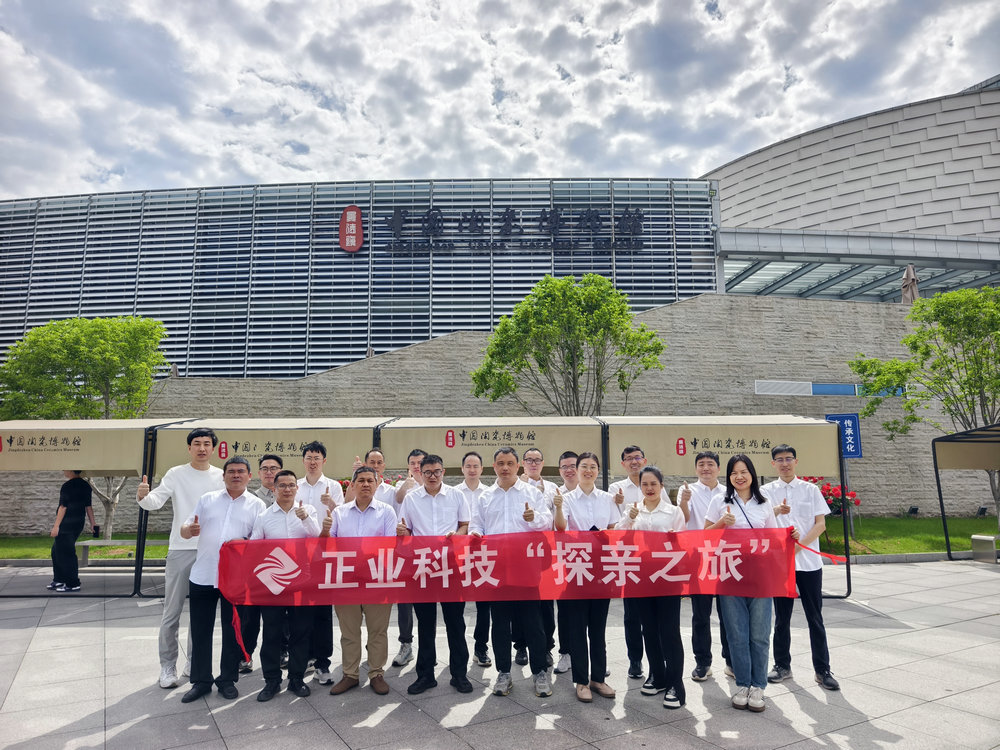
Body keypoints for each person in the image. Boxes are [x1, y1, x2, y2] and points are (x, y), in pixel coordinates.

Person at [705, 454, 796, 713]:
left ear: (752, 474)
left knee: (759, 634)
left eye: (743, 471)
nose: (739, 477)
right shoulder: (719, 501)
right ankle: (742, 684)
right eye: (734, 473)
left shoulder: (764, 502)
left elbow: (774, 539)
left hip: (760, 577)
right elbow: (704, 536)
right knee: (737, 633)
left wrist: (791, 537)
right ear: (729, 477)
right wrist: (722, 523)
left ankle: (758, 686)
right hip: (730, 575)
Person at [137, 427, 224, 689]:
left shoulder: (221, 476)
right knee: (172, 611)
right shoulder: (176, 473)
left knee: (201, 613)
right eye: (197, 443)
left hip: (209, 552)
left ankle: (194, 663)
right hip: (180, 549)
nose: (201, 448)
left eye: (206, 443)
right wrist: (143, 495)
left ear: (213, 448)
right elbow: (155, 501)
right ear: (189, 448)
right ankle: (167, 666)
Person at [469, 447, 554, 698]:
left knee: (533, 623)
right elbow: (477, 524)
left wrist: (532, 517)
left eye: (509, 463)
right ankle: (504, 673)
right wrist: (475, 534)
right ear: (493, 466)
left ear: (518, 466)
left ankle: (539, 672)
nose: (505, 468)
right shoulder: (485, 496)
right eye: (500, 463)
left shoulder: (531, 493)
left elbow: (547, 522)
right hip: (496, 569)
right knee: (500, 624)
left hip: (526, 567)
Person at [180, 457, 265, 703]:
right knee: (200, 631)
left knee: (232, 630)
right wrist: (189, 530)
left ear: (250, 476)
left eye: (241, 471)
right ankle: (201, 681)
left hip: (235, 579)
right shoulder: (207, 500)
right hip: (203, 575)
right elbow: (186, 527)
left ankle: (227, 680)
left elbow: (260, 541)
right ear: (223, 475)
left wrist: (243, 543)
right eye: (231, 471)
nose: (236, 475)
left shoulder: (257, 505)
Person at [762, 444, 840, 691]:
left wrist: (797, 547)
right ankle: (782, 665)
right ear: (773, 464)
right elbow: (761, 523)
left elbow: (820, 524)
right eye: (779, 459)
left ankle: (822, 670)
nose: (784, 463)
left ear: (796, 461)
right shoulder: (765, 492)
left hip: (808, 564)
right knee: (781, 618)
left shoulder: (810, 489)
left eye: (788, 459)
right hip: (779, 566)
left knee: (815, 617)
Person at [397, 454, 473, 694]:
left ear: (443, 472)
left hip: (451, 566)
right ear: (420, 473)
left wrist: (457, 535)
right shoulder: (411, 499)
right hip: (422, 566)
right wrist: (402, 532)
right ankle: (426, 675)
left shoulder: (456, 495)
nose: (432, 476)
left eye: (437, 471)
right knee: (425, 624)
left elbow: (465, 525)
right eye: (428, 472)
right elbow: (406, 529)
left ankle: (459, 675)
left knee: (455, 622)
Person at [616, 466, 687, 709]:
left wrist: (675, 538)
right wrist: (629, 518)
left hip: (667, 577)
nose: (649, 488)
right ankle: (657, 675)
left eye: (653, 484)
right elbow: (618, 537)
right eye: (644, 484)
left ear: (661, 486)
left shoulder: (673, 511)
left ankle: (676, 684)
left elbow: (684, 543)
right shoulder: (632, 509)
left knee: (669, 630)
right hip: (641, 577)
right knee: (648, 629)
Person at [608, 445, 678, 681]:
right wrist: (628, 515)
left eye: (637, 457)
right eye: (629, 458)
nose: (634, 461)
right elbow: (617, 530)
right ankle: (636, 660)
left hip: (661, 566)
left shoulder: (663, 499)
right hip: (633, 565)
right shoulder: (618, 493)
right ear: (623, 463)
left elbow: (673, 524)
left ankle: (663, 664)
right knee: (633, 617)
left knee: (659, 621)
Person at [327, 466, 398, 696]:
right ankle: (350, 674)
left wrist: (362, 555)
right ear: (352, 485)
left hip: (377, 581)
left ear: (377, 485)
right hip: (346, 582)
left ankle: (376, 673)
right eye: (361, 480)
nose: (365, 484)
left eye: (370, 480)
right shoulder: (339, 513)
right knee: (349, 631)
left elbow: (390, 545)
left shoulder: (387, 512)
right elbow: (330, 546)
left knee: (378, 631)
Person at [553, 452, 618, 702]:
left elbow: (613, 529)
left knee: (598, 628)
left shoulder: (607, 499)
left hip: (601, 568)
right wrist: (559, 507)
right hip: (576, 567)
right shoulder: (566, 499)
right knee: (577, 627)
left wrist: (605, 535)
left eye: (593, 466)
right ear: (577, 470)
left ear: (598, 471)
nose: (588, 470)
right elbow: (560, 528)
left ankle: (598, 678)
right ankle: (581, 681)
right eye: (584, 466)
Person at [250, 468, 320, 701]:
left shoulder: (308, 511)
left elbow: (317, 538)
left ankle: (296, 678)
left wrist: (305, 518)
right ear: (274, 489)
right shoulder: (264, 516)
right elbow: (254, 547)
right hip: (274, 584)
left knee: (301, 631)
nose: (287, 489)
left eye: (291, 485)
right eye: (282, 485)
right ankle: (271, 680)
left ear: (297, 488)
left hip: (302, 581)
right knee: (272, 633)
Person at [296, 440, 343, 686]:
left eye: (317, 458)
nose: (312, 462)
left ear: (324, 461)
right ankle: (304, 657)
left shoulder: (333, 486)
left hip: (325, 554)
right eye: (309, 458)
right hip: (299, 555)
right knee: (301, 611)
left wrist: (331, 504)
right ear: (303, 460)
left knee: (323, 611)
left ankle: (323, 663)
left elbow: (343, 516)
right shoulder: (295, 485)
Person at [682, 451, 731, 682]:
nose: (705, 468)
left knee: (728, 612)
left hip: (726, 556)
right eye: (701, 464)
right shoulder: (688, 491)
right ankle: (703, 662)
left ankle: (731, 660)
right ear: (695, 469)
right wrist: (683, 501)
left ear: (718, 469)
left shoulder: (729, 492)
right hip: (699, 557)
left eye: (710, 464)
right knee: (700, 614)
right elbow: (683, 519)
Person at [514, 447, 558, 669]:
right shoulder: (516, 486)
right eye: (529, 460)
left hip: (544, 551)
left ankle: (546, 646)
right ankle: (521, 645)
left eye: (537, 460)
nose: (533, 463)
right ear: (522, 463)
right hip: (520, 553)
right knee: (519, 601)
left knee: (546, 602)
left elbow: (554, 519)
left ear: (542, 463)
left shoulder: (552, 488)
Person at [240, 453, 284, 674]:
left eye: (274, 468)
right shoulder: (249, 499)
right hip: (255, 566)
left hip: (281, 565)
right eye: (265, 468)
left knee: (279, 615)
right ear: (258, 473)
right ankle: (245, 655)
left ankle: (281, 653)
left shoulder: (289, 496)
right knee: (250, 616)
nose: (269, 472)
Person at [456, 451, 492, 668]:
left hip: (482, 555)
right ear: (462, 468)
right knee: (457, 606)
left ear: (481, 469)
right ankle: (459, 649)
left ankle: (481, 647)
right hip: (458, 556)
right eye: (468, 466)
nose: (472, 469)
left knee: (483, 606)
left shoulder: (489, 493)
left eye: (475, 466)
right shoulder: (453, 493)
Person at [391, 448, 426, 668]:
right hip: (406, 552)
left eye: (420, 463)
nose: (416, 466)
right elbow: (398, 498)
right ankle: (406, 644)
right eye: (412, 463)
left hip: (431, 555)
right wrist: (408, 484)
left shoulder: (439, 488)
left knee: (428, 604)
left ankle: (428, 647)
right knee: (404, 601)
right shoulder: (402, 486)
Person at [553, 450, 579, 675]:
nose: (569, 470)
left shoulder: (594, 494)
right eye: (565, 467)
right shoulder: (554, 494)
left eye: (573, 466)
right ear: (560, 470)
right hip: (563, 558)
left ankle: (593, 654)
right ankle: (566, 653)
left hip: (589, 560)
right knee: (564, 609)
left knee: (591, 610)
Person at [48, 470, 96, 593]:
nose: (63, 470)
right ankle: (59, 579)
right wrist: (93, 523)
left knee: (66, 554)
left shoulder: (67, 486)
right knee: (56, 551)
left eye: (65, 468)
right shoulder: (86, 485)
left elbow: (63, 507)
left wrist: (56, 526)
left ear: (71, 470)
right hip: (78, 524)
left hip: (66, 525)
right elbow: (88, 507)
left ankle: (73, 583)